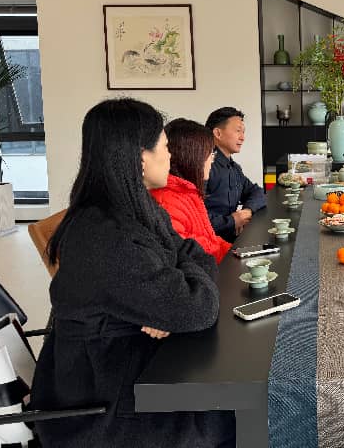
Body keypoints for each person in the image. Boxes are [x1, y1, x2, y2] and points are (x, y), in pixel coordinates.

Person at [30, 98, 235, 448]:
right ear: (140, 157)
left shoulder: (135, 209)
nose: (170, 156)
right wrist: (176, 300)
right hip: (102, 409)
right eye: (165, 147)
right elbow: (198, 308)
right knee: (239, 414)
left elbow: (194, 253)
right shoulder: (105, 236)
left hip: (131, 371)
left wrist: (171, 302)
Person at [150, 118, 232, 263]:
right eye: (210, 154)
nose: (212, 161)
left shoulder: (189, 192)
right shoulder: (167, 202)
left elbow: (211, 241)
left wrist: (237, 253)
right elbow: (190, 258)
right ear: (193, 157)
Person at [204, 107, 266, 241]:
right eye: (238, 131)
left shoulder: (234, 168)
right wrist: (232, 221)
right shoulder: (204, 167)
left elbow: (257, 192)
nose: (242, 138)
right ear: (218, 133)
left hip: (232, 238)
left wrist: (247, 211)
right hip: (211, 243)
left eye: (243, 132)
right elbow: (196, 219)